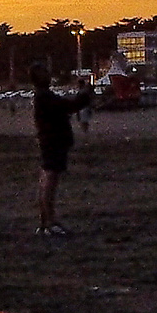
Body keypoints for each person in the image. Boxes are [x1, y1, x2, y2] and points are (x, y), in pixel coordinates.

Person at [30, 61, 92, 235]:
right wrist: (85, 94)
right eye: (45, 73)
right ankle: (49, 223)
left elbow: (66, 106)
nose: (49, 75)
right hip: (53, 142)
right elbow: (69, 106)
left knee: (46, 181)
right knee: (49, 182)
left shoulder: (43, 96)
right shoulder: (45, 97)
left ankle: (44, 224)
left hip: (49, 141)